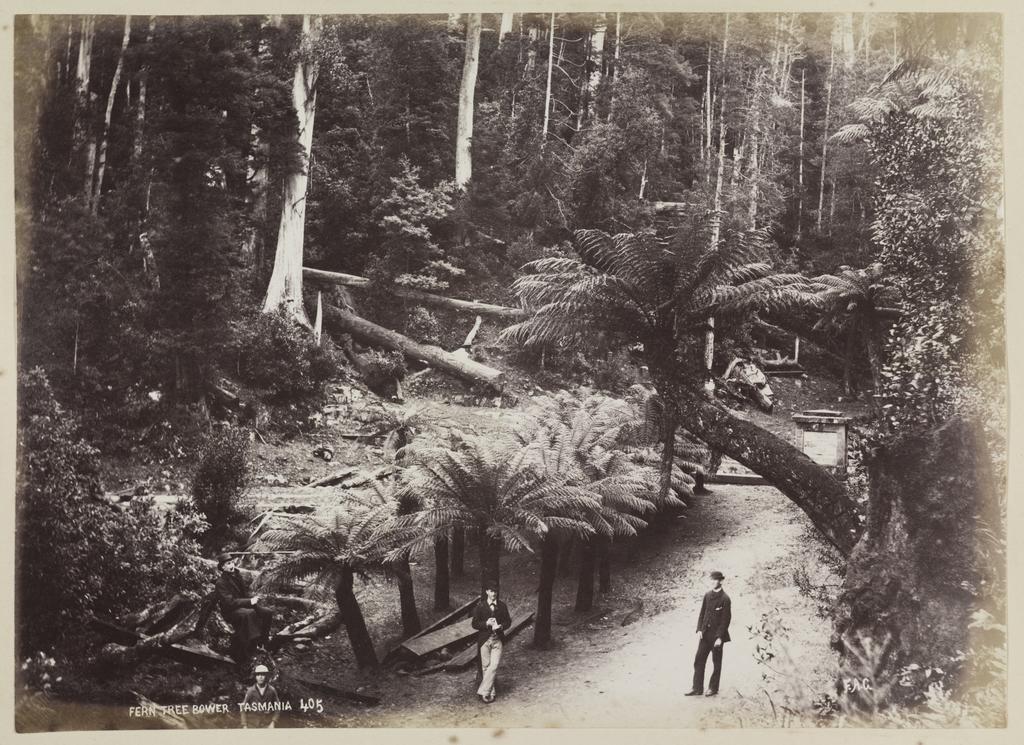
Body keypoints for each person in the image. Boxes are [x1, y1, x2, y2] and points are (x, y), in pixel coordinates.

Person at [215, 553, 274, 664]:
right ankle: (248, 651)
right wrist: (249, 602)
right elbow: (229, 603)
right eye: (228, 564)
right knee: (249, 614)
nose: (231, 565)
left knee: (267, 612)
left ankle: (262, 643)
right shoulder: (221, 583)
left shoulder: (237, 575)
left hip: (243, 606)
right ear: (223, 567)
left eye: (232, 562)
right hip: (230, 611)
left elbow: (244, 594)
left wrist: (253, 600)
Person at [685, 570, 732, 697]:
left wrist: (719, 638)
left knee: (716, 663)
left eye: (715, 580)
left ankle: (713, 688)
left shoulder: (725, 599)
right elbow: (702, 613)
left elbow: (725, 621)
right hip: (705, 634)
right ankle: (697, 688)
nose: (712, 582)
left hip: (717, 637)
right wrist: (699, 629)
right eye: (711, 580)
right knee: (698, 660)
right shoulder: (707, 595)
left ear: (720, 581)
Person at [470, 584, 511, 704]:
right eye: (491, 591)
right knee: (486, 667)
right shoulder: (480, 606)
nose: (494, 594)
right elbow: (474, 624)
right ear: (487, 591)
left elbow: (508, 622)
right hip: (484, 641)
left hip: (497, 640)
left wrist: (501, 626)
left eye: (495, 592)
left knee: (494, 666)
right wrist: (486, 623)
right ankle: (490, 693)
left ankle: (483, 691)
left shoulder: (502, 606)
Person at [241, 664, 280, 728]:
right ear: (255, 676)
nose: (260, 677)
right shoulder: (251, 691)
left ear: (266, 676)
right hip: (252, 725)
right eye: (258, 675)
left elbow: (277, 707)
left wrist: (273, 722)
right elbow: (243, 708)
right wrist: (244, 724)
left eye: (263, 674)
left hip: (266, 725)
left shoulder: (271, 690)